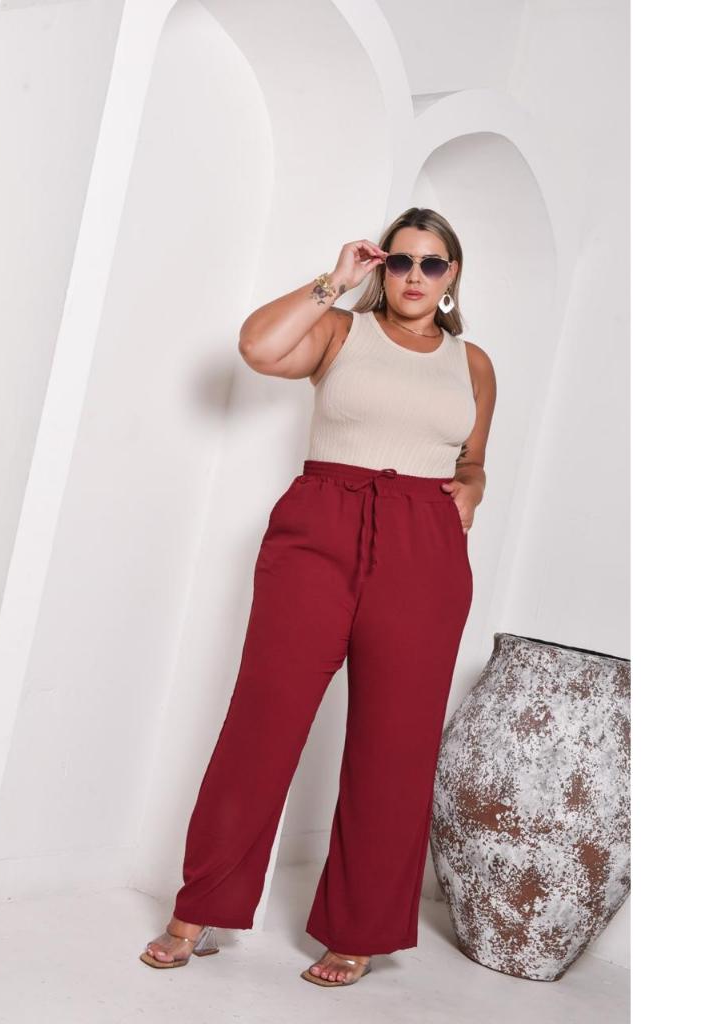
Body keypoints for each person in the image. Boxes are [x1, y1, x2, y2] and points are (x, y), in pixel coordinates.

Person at [139, 207, 497, 987]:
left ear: (452, 276)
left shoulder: (472, 363)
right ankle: (199, 909)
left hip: (424, 548)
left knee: (395, 746)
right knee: (262, 720)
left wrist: (471, 489)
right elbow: (257, 347)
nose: (414, 276)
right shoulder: (340, 330)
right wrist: (335, 279)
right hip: (320, 528)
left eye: (431, 264)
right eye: (399, 260)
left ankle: (357, 929)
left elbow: (472, 458)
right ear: (381, 266)